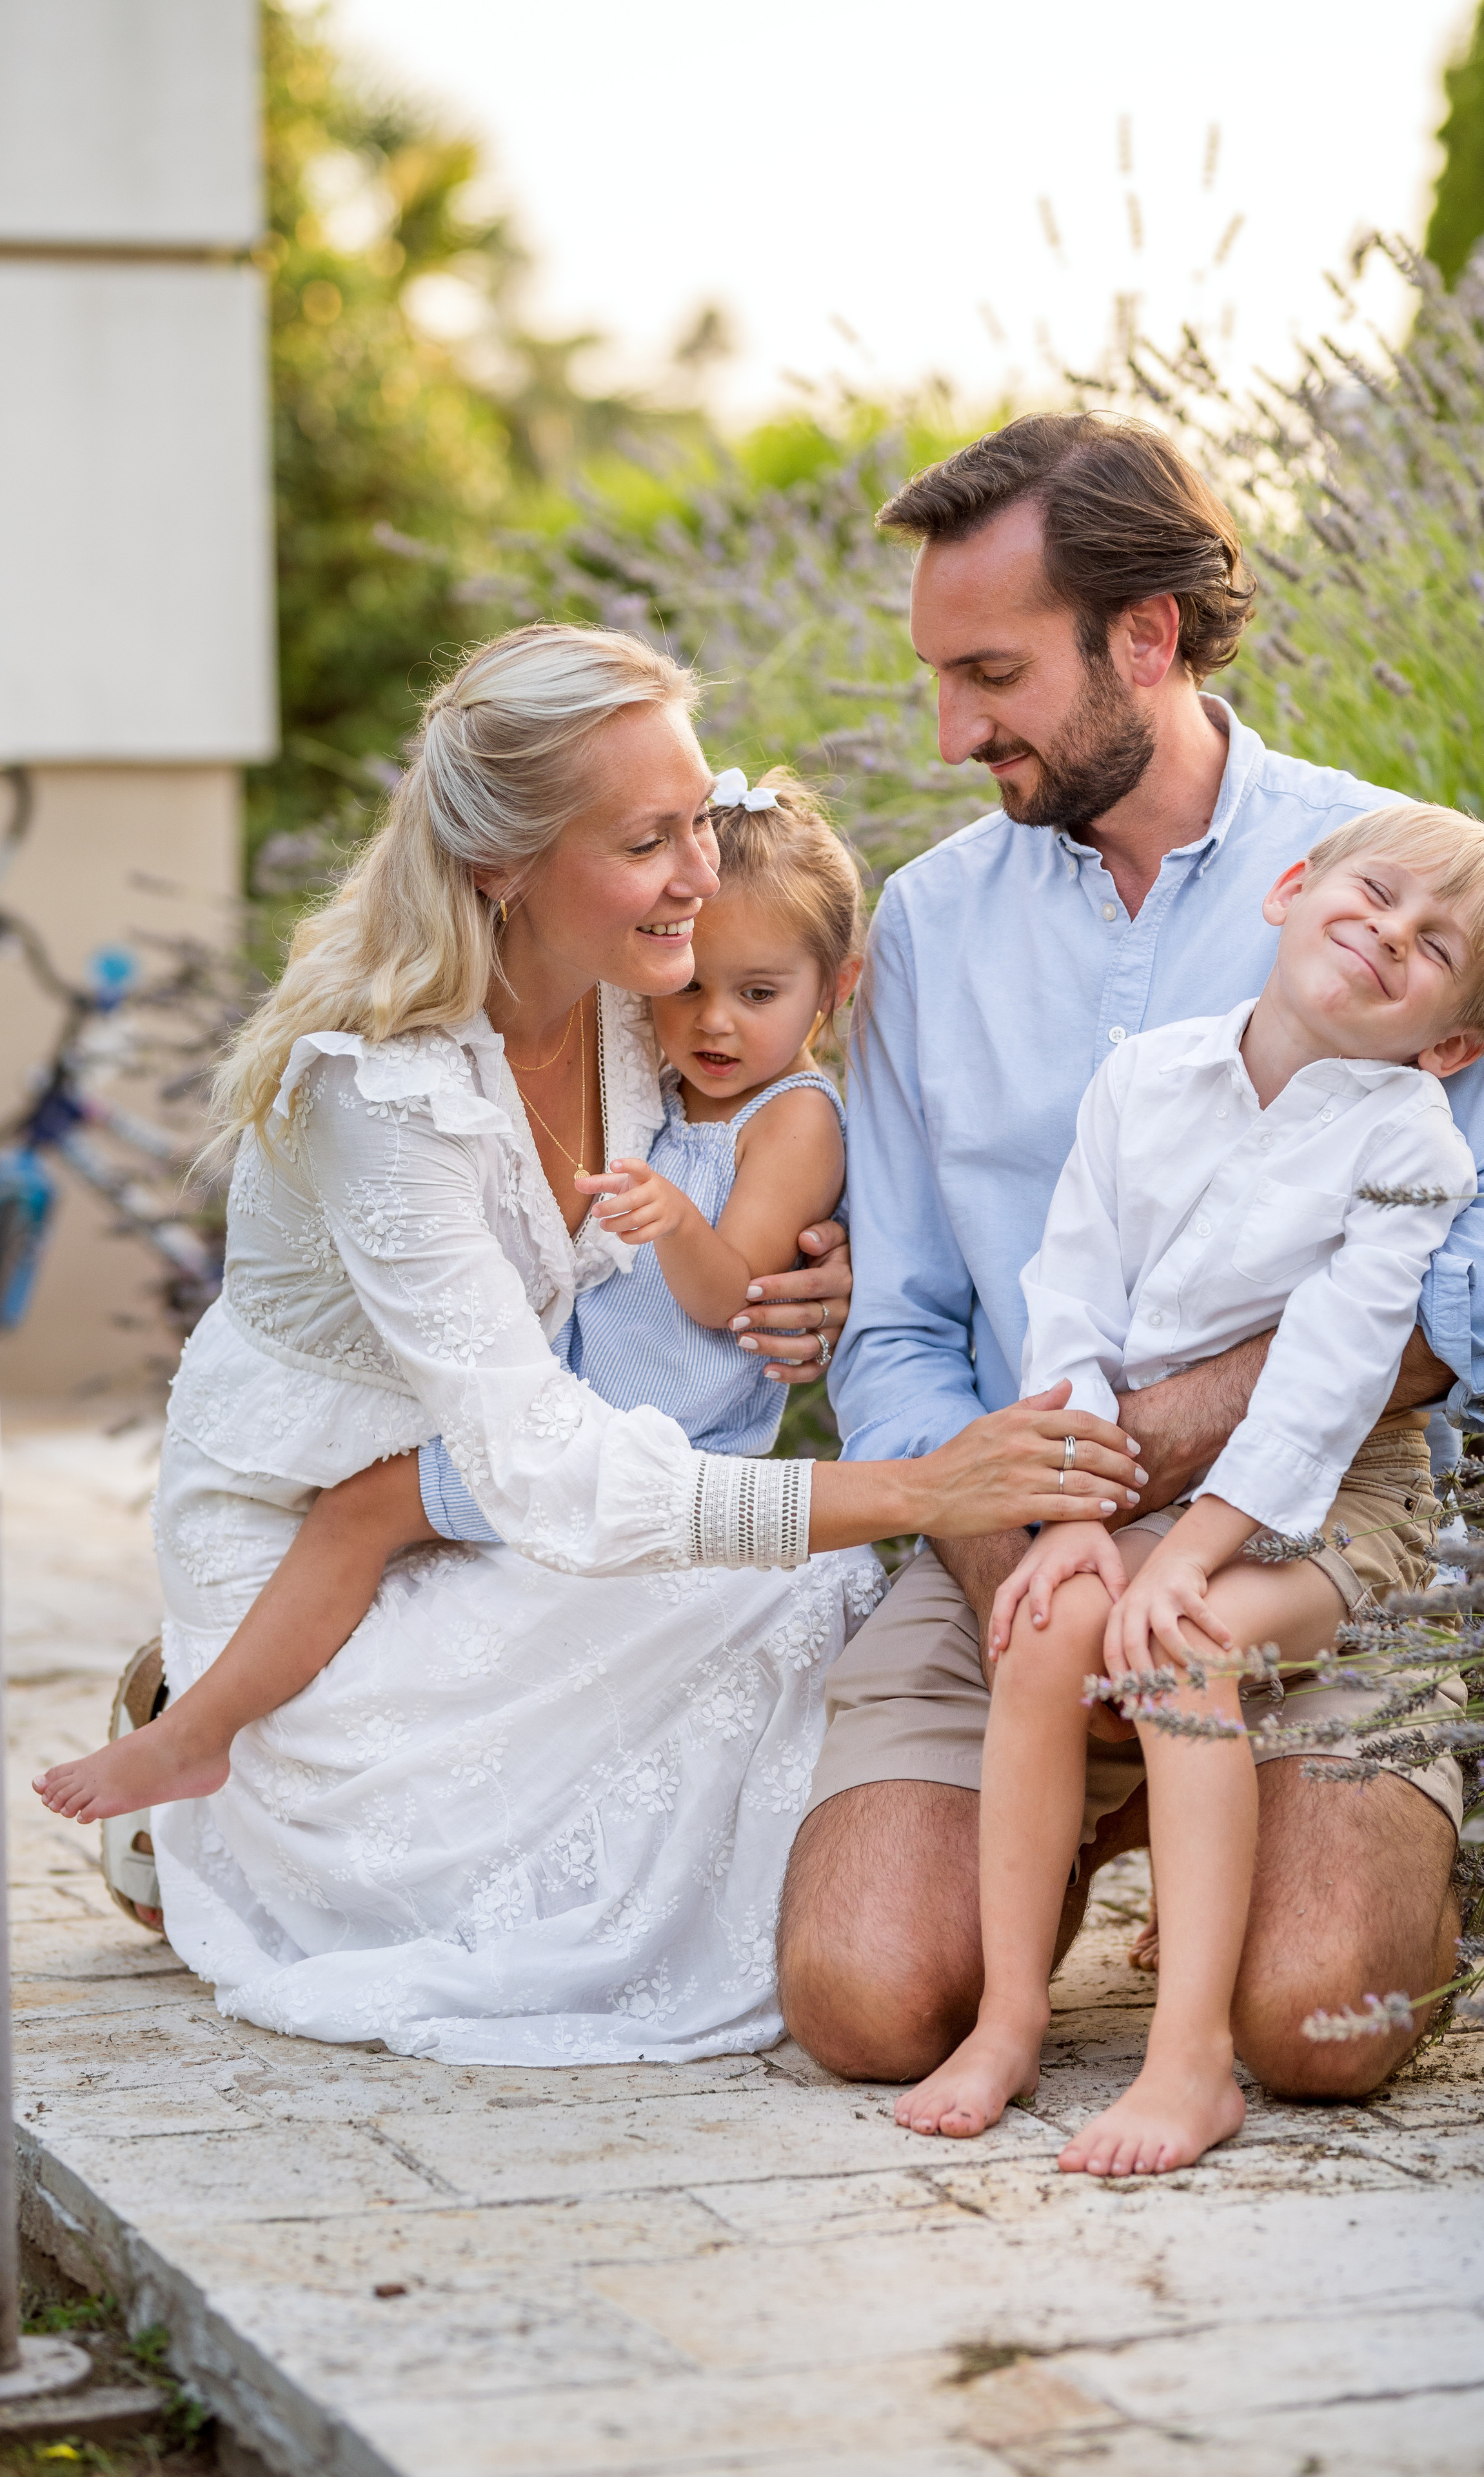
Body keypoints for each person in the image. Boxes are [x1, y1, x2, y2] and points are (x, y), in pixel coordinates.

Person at [70, 622, 1137, 2069]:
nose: (701, 873)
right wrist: (915, 1489)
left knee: (780, 1624)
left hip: (512, 1478)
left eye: (698, 819)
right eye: (649, 840)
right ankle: (210, 1749)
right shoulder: (383, 1099)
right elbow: (548, 1473)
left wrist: (797, 1281)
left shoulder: (649, 1006)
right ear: (502, 867)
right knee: (777, 1609)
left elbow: (729, 1205)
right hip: (343, 1520)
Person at [778, 413, 1484, 2104]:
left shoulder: (1394, 891)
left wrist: (1196, 1435)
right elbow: (908, 1321)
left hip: (1306, 1531)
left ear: (1143, 638)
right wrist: (1027, 1567)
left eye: (992, 675)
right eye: (937, 675)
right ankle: (1108, 1807)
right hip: (1013, 1533)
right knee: (864, 2002)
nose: (949, 733)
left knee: (1317, 2025)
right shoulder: (931, 925)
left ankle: (1304, 1833)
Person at [894, 803, 1484, 2170]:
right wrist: (1071, 1521)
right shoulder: (1143, 1080)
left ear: (1449, 1044)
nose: (1384, 935)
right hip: (1124, 1480)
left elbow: (1323, 1381)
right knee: (1043, 1631)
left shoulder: (1410, 1145)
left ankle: (1186, 2061)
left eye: (1429, 948)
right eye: (1370, 897)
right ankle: (1012, 2018)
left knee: (1181, 1650)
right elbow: (1064, 1297)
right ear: (1292, 889)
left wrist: (1188, 1557)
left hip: (1331, 1505)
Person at [35, 763, 868, 1825]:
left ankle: (189, 1736)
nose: (711, 1023)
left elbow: (726, 1297)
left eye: (758, 995)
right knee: (389, 1545)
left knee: (363, 1511)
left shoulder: (790, 1115)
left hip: (648, 1426)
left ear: (833, 990)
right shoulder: (652, 1052)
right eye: (695, 984)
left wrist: (679, 1224)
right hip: (581, 1402)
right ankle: (199, 1722)